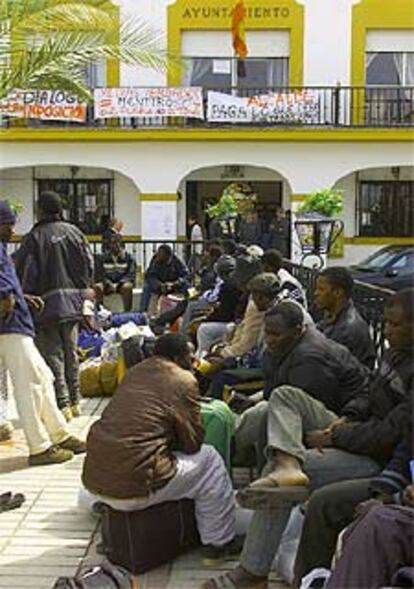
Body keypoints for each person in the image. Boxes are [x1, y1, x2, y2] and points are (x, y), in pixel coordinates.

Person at [202, 290, 413, 589]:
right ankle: (287, 462)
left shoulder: (310, 356)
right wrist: (348, 417)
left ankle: (252, 572)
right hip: (353, 427)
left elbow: (389, 434)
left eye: (396, 325)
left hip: (379, 459)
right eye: (387, 324)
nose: (388, 331)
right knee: (284, 398)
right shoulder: (396, 353)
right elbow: (369, 392)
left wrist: (336, 435)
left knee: (283, 478)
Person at [81, 333, 239, 560]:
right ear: (178, 357)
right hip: (135, 488)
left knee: (143, 460)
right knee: (210, 459)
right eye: (191, 357)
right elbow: (193, 443)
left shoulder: (134, 372)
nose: (195, 362)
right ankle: (218, 544)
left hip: (95, 483)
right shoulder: (183, 379)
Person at [0, 200, 86, 466]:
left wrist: (22, 297)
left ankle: (58, 434)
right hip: (9, 327)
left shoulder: (3, 248)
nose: (12, 231)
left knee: (43, 376)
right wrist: (8, 302)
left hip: (18, 322)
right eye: (7, 226)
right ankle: (39, 447)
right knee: (30, 385)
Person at [15, 191, 94, 421]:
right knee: (71, 353)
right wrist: (82, 293)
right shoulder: (75, 233)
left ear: (40, 209)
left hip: (45, 306)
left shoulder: (34, 237)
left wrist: (27, 297)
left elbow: (26, 274)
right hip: (73, 304)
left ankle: (63, 405)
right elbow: (88, 265)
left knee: (53, 356)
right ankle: (76, 401)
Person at [293, 437, 412, 585]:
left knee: (377, 522)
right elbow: (405, 454)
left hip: (374, 455)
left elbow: (387, 432)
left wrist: (336, 435)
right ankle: (312, 581)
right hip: (396, 483)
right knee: (324, 503)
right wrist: (383, 497)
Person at [314, 266, 376, 368]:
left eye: (321, 289)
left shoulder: (347, 330)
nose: (315, 293)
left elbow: (330, 369)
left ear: (338, 293)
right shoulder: (332, 314)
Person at [139, 244, 190, 313]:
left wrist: (175, 283)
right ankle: (142, 312)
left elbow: (187, 276)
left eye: (161, 254)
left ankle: (187, 308)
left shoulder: (176, 261)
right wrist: (159, 285)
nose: (158, 255)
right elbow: (149, 275)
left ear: (168, 256)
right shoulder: (155, 260)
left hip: (174, 286)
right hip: (160, 286)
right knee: (147, 287)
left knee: (188, 286)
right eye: (158, 253)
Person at [94, 234, 136, 312]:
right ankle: (101, 312)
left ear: (122, 244)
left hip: (121, 284)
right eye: (113, 243)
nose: (116, 245)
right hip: (107, 284)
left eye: (118, 243)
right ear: (109, 244)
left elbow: (130, 275)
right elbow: (99, 274)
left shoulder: (129, 258)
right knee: (97, 287)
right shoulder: (102, 258)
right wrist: (108, 283)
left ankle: (126, 313)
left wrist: (118, 284)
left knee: (127, 287)